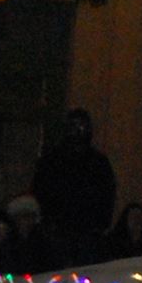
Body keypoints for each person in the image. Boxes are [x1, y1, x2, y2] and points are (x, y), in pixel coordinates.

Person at [31, 108, 117, 263]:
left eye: (82, 125)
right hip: (58, 230)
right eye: (74, 125)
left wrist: (100, 225)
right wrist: (48, 222)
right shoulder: (52, 160)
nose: (78, 130)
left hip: (88, 232)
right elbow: (40, 191)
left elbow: (107, 195)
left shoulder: (98, 162)